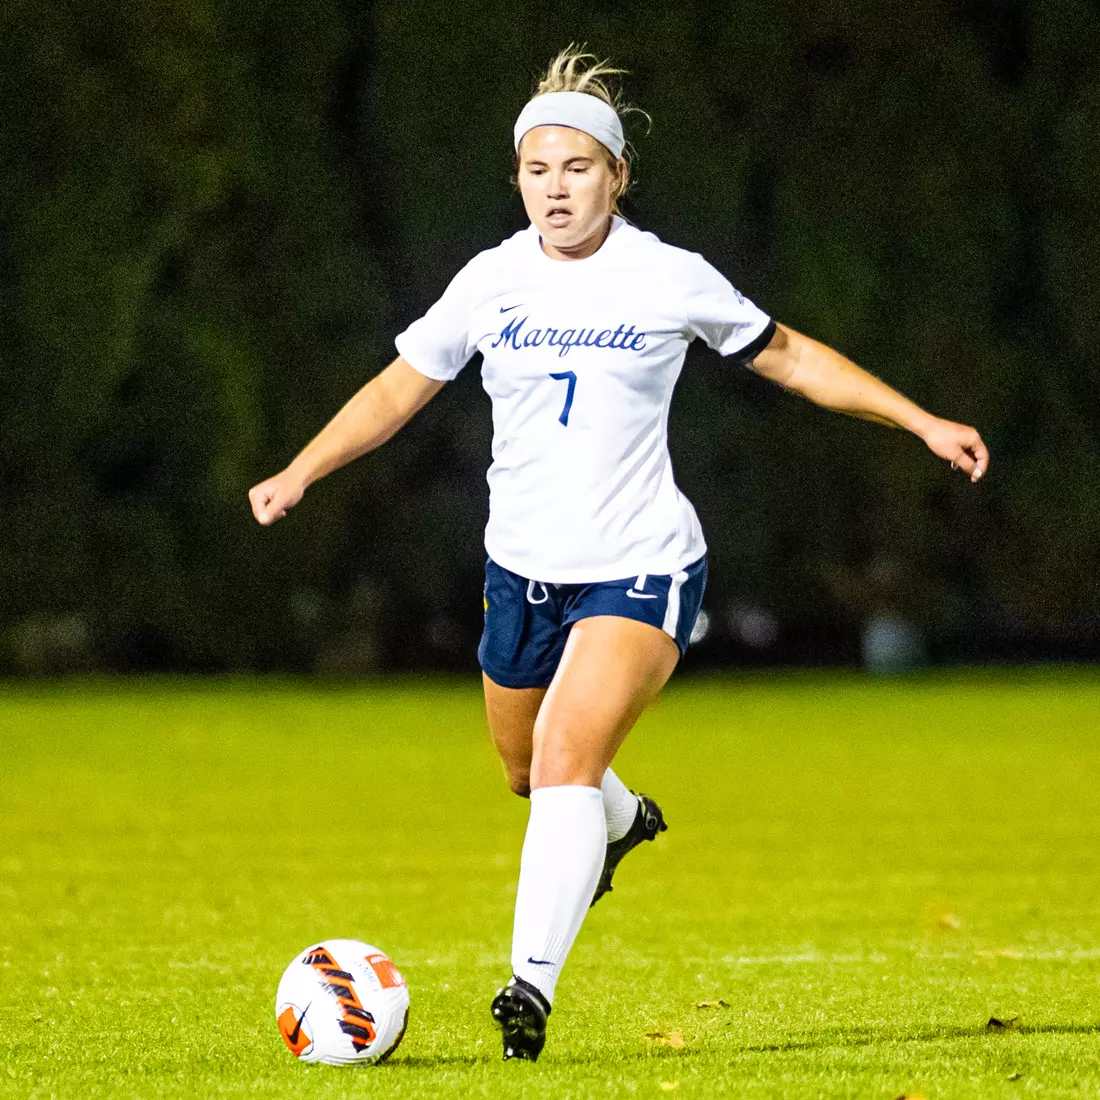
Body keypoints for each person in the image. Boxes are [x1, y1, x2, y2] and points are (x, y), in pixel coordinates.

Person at [248, 47, 989, 1062]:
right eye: (537, 171)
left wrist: (916, 419)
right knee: (526, 771)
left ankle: (527, 989)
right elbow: (395, 389)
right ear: (516, 179)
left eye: (578, 168)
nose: (556, 189)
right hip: (520, 571)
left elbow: (789, 354)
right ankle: (623, 818)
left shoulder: (664, 276)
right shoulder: (489, 280)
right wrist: (300, 470)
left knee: (561, 751)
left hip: (640, 565)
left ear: (615, 175)